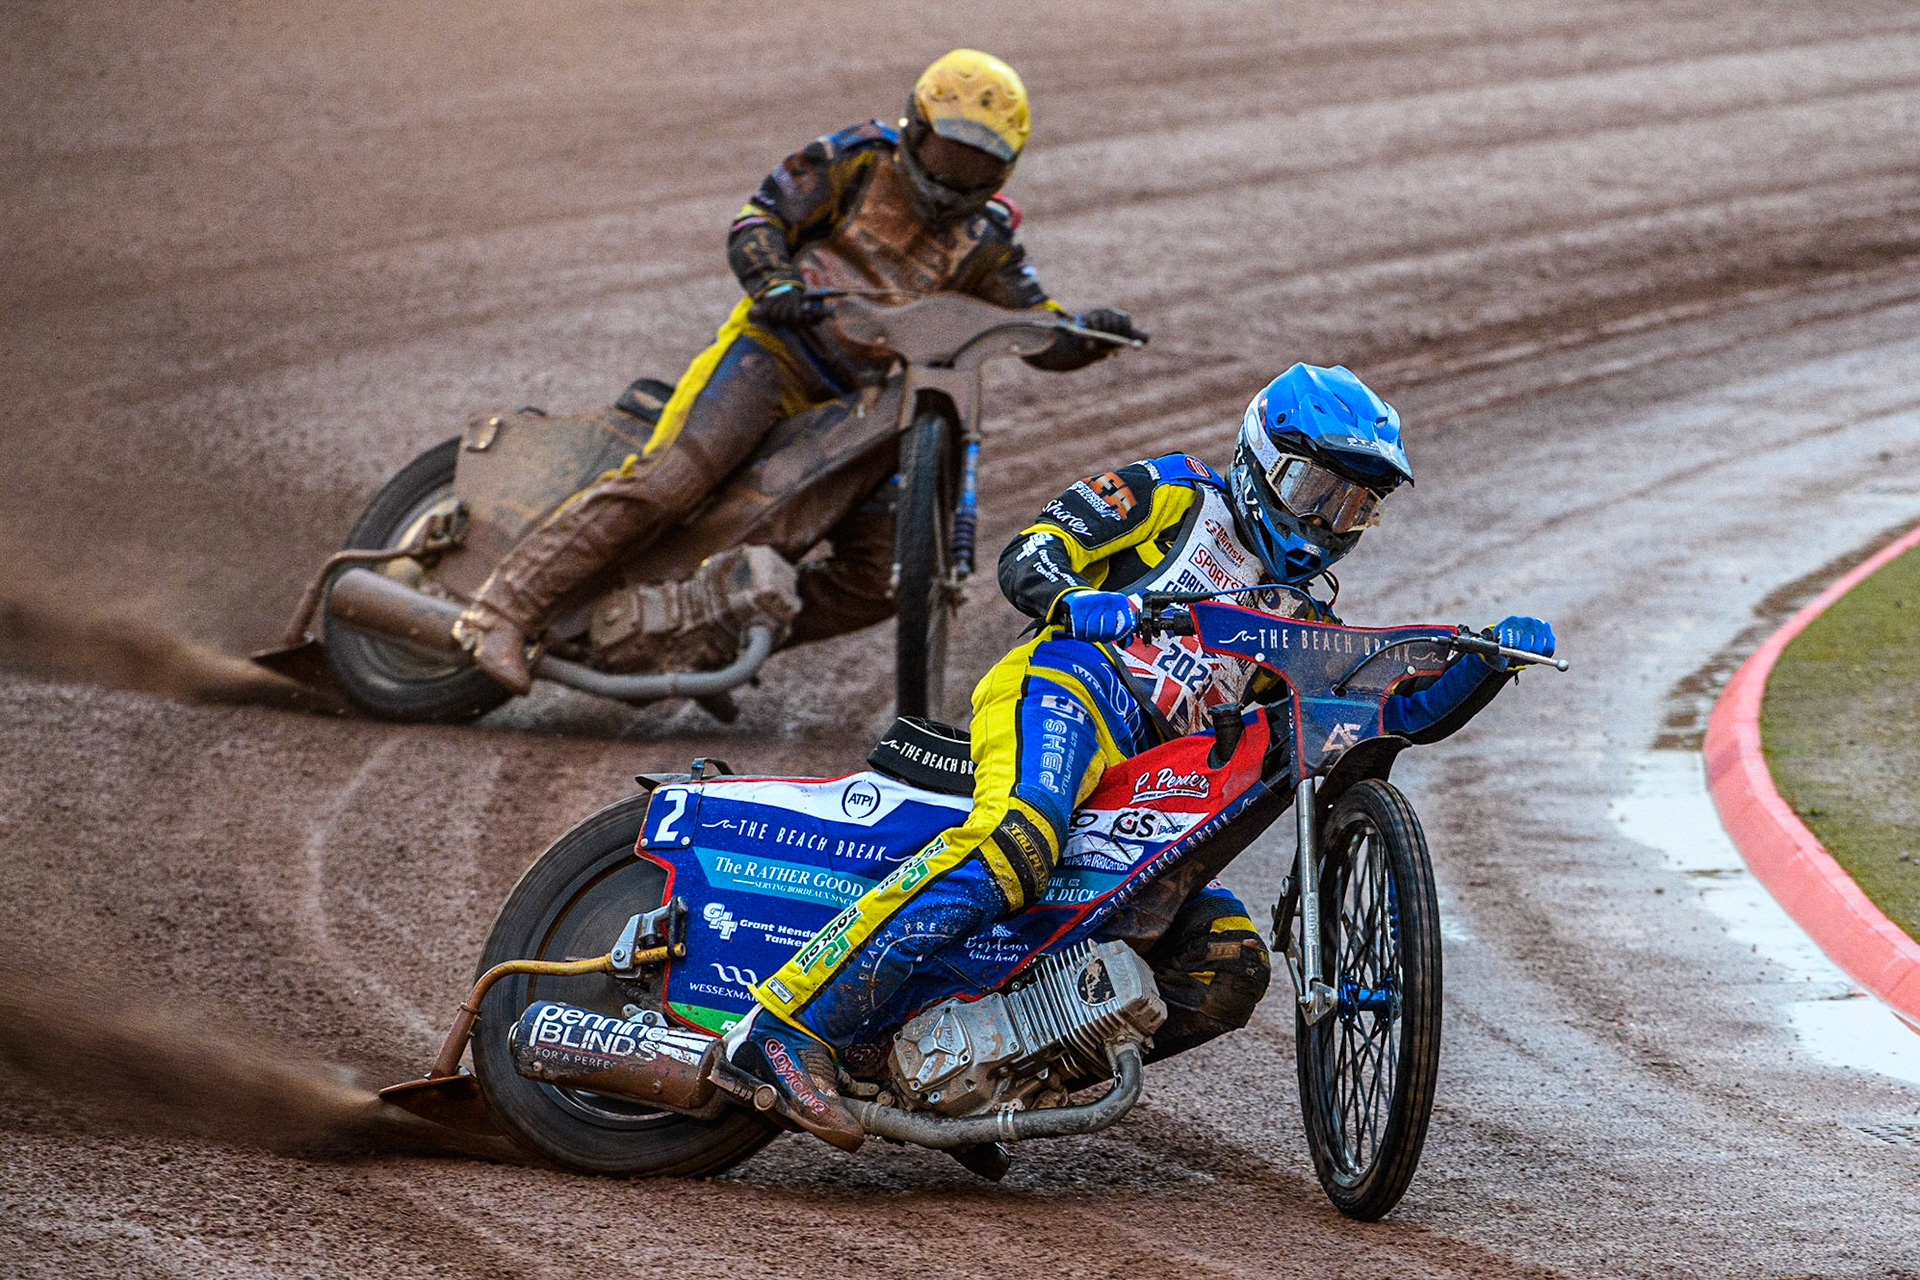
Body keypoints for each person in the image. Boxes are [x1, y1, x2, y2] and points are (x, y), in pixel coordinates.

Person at [724, 362, 1556, 1151]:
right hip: (1066, 690)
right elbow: (1033, 553)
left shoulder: (1305, 623)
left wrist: (1484, 667)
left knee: (1227, 960)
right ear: (1262, 457)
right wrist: (1079, 599)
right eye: (1315, 491)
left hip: (1149, 789)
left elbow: (1390, 716)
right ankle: (786, 1030)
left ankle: (996, 1079)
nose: (1326, 525)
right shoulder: (1173, 493)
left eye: (1354, 509)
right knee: (1019, 841)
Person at [455, 49, 1142, 692]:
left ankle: (707, 636)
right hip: (777, 354)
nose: (952, 175)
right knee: (669, 483)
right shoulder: (854, 160)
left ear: (1003, 170)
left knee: (880, 579)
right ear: (915, 125)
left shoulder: (989, 240)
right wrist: (773, 282)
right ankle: (502, 610)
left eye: (974, 164)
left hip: (871, 409)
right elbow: (759, 219)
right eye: (944, 151)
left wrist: (1089, 334)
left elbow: (1035, 327)